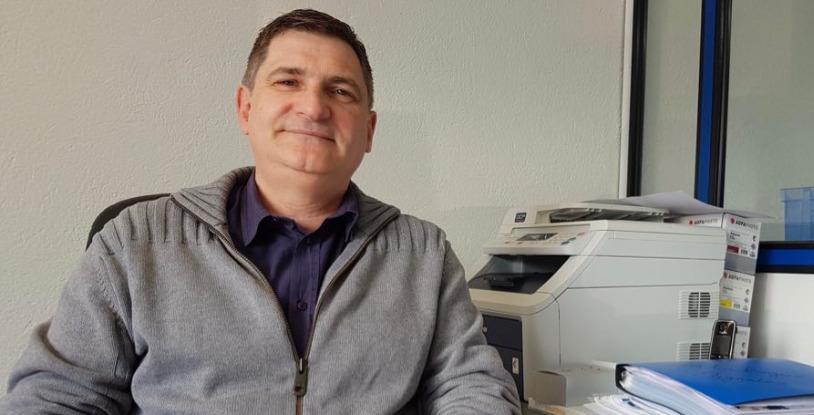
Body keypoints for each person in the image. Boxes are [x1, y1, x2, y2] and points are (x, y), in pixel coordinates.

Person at [0, 9, 521, 414]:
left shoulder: (423, 252)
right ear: (246, 108)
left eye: (340, 91)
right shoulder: (136, 242)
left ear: (368, 131)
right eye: (288, 81)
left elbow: (472, 385)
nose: (314, 107)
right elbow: (54, 396)